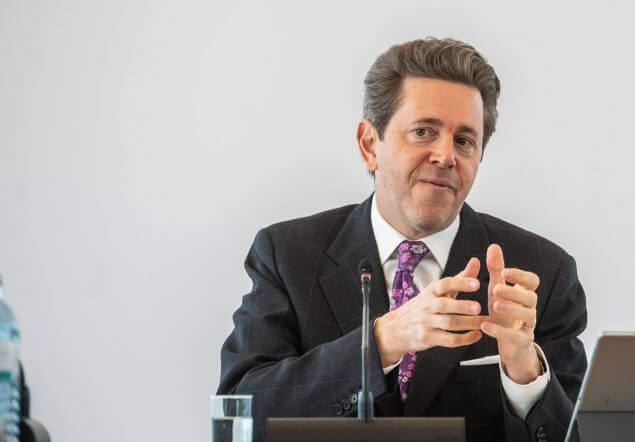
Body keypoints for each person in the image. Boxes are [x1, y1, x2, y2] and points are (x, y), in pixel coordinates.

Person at [217, 38, 587, 442]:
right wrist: (381, 342)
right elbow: (239, 417)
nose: (446, 156)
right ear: (369, 145)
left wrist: (526, 376)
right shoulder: (287, 255)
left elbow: (579, 434)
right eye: (423, 132)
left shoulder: (543, 272)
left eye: (464, 140)